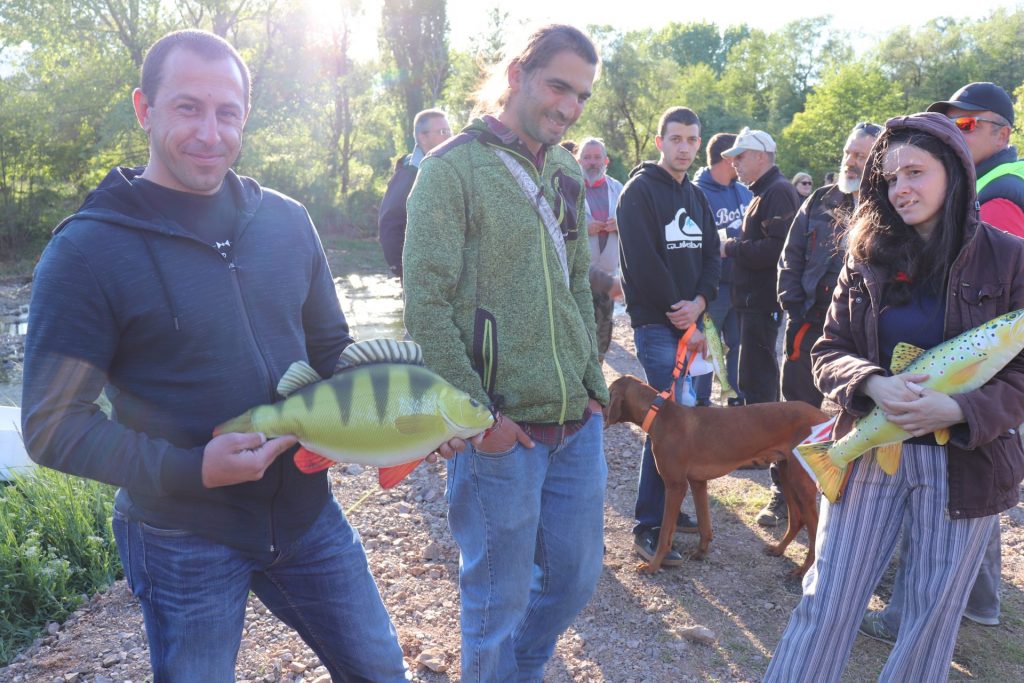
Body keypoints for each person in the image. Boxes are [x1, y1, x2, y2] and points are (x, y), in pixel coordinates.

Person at [19, 30, 420, 682]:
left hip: (307, 515)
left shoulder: (289, 221)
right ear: (144, 109)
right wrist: (191, 468)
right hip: (181, 535)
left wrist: (411, 412)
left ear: (245, 116)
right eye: (187, 107)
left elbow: (331, 351)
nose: (210, 131)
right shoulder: (86, 252)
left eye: (227, 112)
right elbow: (50, 423)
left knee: (382, 672)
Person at [764, 112, 1024, 683]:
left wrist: (959, 409)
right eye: (889, 177)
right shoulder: (866, 254)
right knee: (827, 602)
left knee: (931, 622)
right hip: (867, 453)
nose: (900, 187)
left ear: (954, 173)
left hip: (962, 463)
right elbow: (828, 350)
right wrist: (873, 383)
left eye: (916, 172)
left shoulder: (1009, 258)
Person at [402, 24, 608, 682]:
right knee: (497, 599)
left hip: (576, 422)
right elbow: (427, 303)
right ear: (519, 73)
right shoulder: (449, 169)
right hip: (501, 429)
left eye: (581, 95)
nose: (570, 107)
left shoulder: (570, 169)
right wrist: (478, 418)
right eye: (558, 86)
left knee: (576, 578)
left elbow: (577, 281)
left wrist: (593, 381)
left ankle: (514, 671)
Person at [861, 83, 1024, 643]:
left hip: (958, 436)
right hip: (914, 430)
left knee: (956, 528)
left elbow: (997, 328)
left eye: (968, 125)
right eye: (891, 177)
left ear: (1001, 130)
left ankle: (955, 607)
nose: (956, 132)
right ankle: (976, 602)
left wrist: (956, 408)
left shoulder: (1002, 190)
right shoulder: (888, 236)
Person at [617, 106, 721, 566]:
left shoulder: (697, 197)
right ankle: (649, 524)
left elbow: (713, 257)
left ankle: (675, 511)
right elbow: (642, 263)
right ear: (660, 142)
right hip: (659, 327)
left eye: (691, 140)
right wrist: (682, 315)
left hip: (695, 326)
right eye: (675, 138)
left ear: (699, 145)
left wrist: (700, 303)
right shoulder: (638, 193)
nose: (684, 147)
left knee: (694, 418)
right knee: (669, 421)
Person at [721, 128, 802, 525]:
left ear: (762, 156)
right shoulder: (762, 193)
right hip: (751, 303)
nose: (733, 161)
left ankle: (767, 458)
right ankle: (758, 452)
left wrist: (732, 246)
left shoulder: (778, 192)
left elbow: (776, 250)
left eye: (740, 155)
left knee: (762, 383)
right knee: (751, 379)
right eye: (733, 156)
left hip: (764, 303)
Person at [779, 122, 881, 409]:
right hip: (809, 322)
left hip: (860, 335)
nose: (850, 161)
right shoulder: (820, 200)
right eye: (848, 153)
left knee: (852, 413)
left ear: (880, 160)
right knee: (797, 411)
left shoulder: (891, 207)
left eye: (860, 156)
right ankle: (793, 457)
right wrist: (795, 308)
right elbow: (791, 256)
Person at [693, 132, 752, 407]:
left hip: (741, 285)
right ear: (727, 158)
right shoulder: (696, 192)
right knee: (708, 348)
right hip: (711, 289)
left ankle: (736, 402)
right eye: (739, 156)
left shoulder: (744, 191)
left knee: (738, 346)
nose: (743, 162)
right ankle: (700, 404)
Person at [929, 82, 1024, 235]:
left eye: (966, 124)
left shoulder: (1000, 198)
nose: (952, 134)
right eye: (947, 125)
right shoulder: (977, 182)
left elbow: (998, 259)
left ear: (1002, 135)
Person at [378, 108, 452, 278]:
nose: (449, 136)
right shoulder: (409, 173)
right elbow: (390, 221)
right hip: (421, 277)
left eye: (449, 130)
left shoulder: (446, 167)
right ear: (423, 137)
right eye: (442, 131)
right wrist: (403, 269)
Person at [578, 137, 624, 363]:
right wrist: (582, 227)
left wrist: (622, 223)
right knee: (577, 338)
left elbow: (639, 225)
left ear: (606, 160)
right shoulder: (569, 188)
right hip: (578, 280)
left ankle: (596, 390)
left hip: (608, 281)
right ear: (579, 161)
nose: (592, 162)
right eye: (587, 157)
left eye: (597, 157)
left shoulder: (619, 189)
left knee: (602, 341)